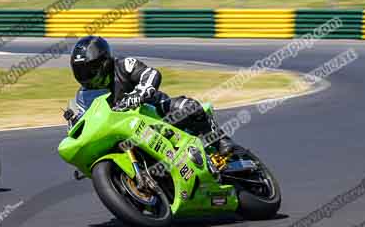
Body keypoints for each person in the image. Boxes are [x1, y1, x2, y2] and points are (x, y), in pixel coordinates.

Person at [69, 35, 243, 156]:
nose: (85, 75)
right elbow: (85, 121)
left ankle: (219, 140)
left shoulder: (123, 66)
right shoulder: (83, 97)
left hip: (156, 113)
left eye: (88, 69)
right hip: (123, 132)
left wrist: (139, 93)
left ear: (104, 62)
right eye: (80, 71)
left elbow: (151, 74)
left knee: (187, 106)